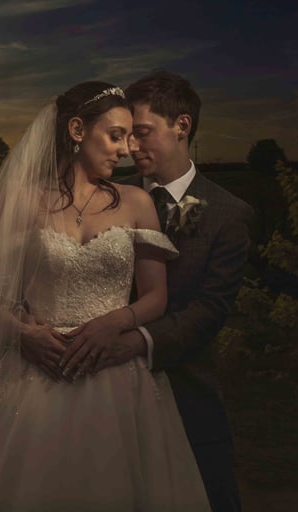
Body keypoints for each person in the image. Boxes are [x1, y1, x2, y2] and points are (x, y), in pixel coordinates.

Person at [0, 81, 211, 511]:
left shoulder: (136, 202)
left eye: (132, 136)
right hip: (39, 378)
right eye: (116, 135)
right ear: (77, 130)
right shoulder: (22, 204)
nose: (127, 149)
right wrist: (22, 335)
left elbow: (156, 298)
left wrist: (114, 323)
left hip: (119, 379)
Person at [60, 71, 254, 511]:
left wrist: (129, 343)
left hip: (186, 398)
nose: (130, 148)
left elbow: (208, 311)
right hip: (92, 398)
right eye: (125, 135)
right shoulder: (103, 191)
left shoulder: (229, 214)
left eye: (141, 133)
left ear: (181, 126)